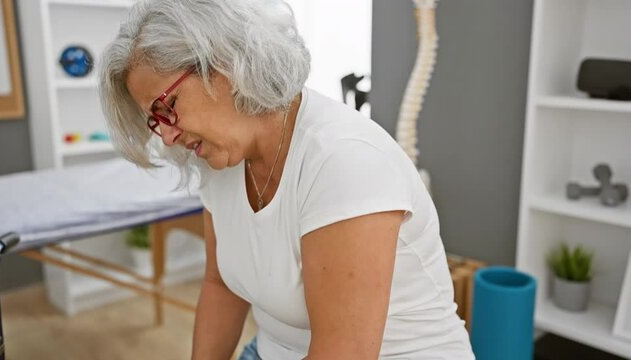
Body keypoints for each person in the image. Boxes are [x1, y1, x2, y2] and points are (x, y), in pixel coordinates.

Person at [99, 0, 475, 359]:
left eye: (167, 108)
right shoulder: (219, 160)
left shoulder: (344, 161)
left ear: (223, 64)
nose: (166, 136)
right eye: (155, 120)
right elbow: (221, 288)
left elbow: (345, 354)